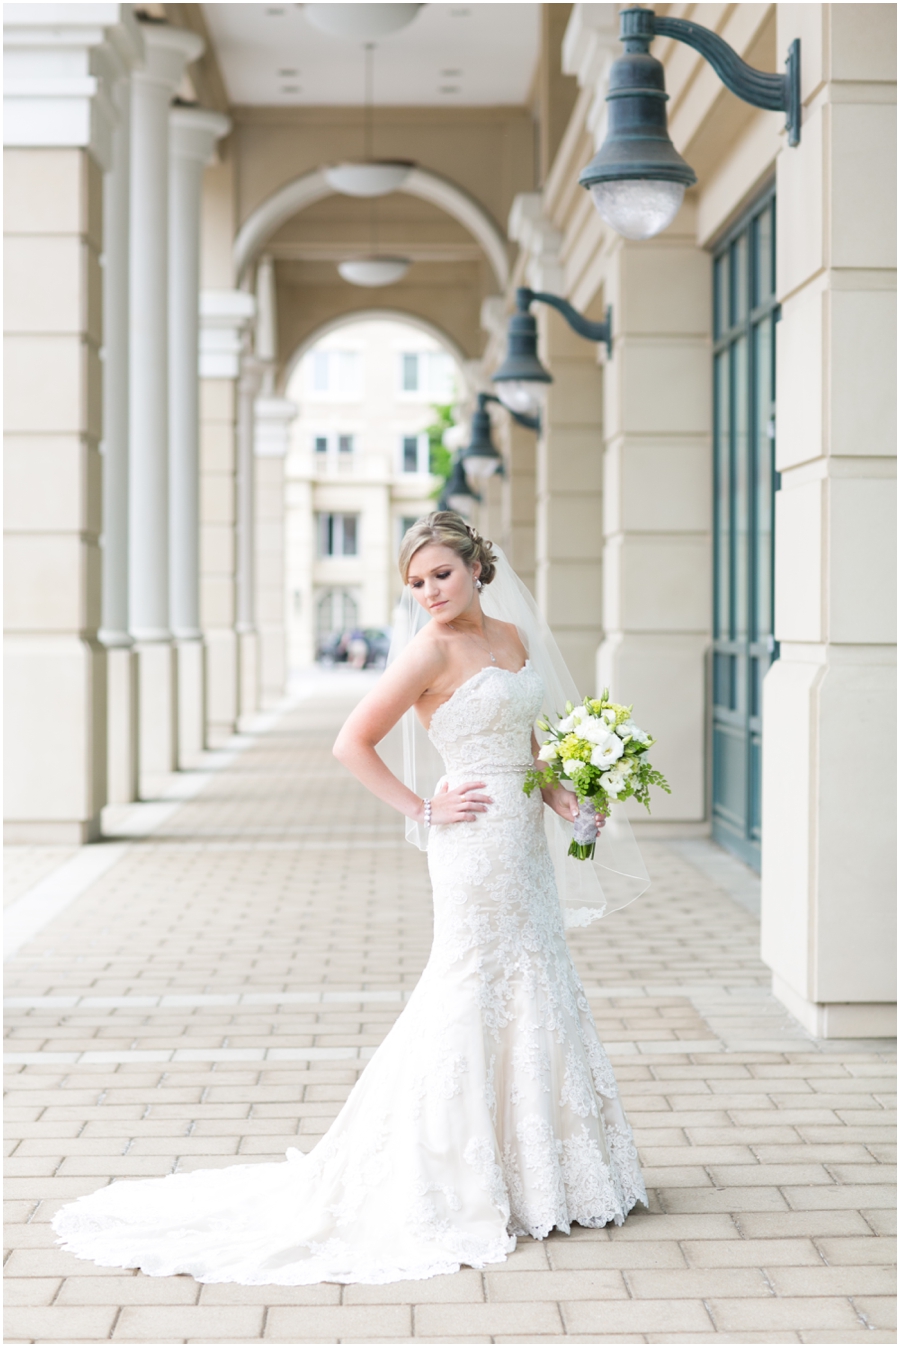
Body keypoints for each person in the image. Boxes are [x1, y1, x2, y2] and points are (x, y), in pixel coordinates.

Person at [52, 512, 647, 1286]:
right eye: (415, 581)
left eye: (441, 573)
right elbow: (351, 741)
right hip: (469, 845)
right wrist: (422, 809)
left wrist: (566, 800)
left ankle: (544, 1169)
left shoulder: (512, 638)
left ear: (476, 566)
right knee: (470, 983)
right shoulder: (427, 651)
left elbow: (532, 748)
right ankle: (448, 1174)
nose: (429, 591)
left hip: (523, 844)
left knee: (538, 973)